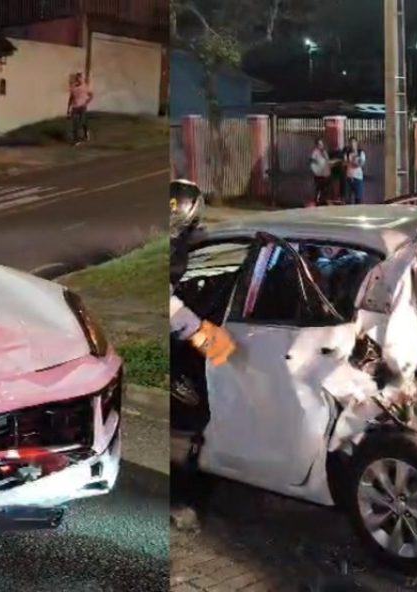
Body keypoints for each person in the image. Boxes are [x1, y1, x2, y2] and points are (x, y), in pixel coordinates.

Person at [169, 178, 235, 533]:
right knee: (192, 424)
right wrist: (208, 340)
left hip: (181, 339)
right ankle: (183, 501)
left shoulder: (185, 247)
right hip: (178, 344)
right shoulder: (175, 251)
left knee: (194, 423)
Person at [67, 72, 93, 146]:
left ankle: (85, 133)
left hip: (82, 107)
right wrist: (68, 109)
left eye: (81, 78)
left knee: (83, 121)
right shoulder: (73, 87)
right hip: (75, 107)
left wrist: (86, 102)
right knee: (75, 124)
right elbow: (71, 98)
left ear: (83, 79)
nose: (79, 79)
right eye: (78, 78)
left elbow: (91, 95)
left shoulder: (85, 87)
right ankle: (76, 140)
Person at [343, 136, 366, 204]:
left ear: (356, 143)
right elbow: (344, 163)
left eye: (353, 142)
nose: (352, 144)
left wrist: (351, 162)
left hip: (358, 178)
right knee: (347, 200)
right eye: (350, 142)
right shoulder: (347, 153)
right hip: (349, 178)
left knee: (358, 199)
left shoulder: (361, 153)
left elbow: (361, 164)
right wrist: (353, 162)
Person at [310, 139, 332, 205]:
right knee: (319, 189)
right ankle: (318, 202)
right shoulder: (315, 153)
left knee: (326, 190)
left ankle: (324, 201)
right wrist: (316, 172)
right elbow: (312, 163)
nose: (321, 145)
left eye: (322, 144)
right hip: (319, 175)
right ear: (317, 145)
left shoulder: (324, 152)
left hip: (326, 174)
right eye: (319, 144)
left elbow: (327, 161)